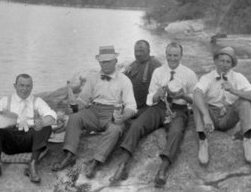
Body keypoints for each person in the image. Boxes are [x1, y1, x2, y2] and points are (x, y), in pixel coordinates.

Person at [109, 42, 198, 188]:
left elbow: (195, 99)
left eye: (176, 55)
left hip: (178, 109)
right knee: (137, 125)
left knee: (176, 132)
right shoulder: (159, 72)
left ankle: (162, 169)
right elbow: (150, 97)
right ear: (166, 55)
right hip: (159, 107)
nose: (172, 58)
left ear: (181, 56)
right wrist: (157, 95)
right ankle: (123, 165)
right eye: (169, 55)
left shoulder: (189, 74)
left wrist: (184, 96)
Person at [52, 45, 137, 179]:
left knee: (115, 129)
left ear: (115, 61)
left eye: (108, 61)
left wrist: (122, 117)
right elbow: (83, 100)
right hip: (94, 111)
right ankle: (69, 155)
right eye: (102, 61)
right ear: (99, 62)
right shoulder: (93, 78)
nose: (105, 64)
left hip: (113, 112)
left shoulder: (125, 81)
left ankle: (95, 162)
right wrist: (74, 107)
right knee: (74, 118)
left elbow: (131, 106)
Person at [0, 74, 58, 183]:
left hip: (29, 142)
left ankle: (32, 164)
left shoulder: (37, 101)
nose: (25, 89)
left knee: (46, 126)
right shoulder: (4, 100)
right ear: (15, 86)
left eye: (28, 86)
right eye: (21, 85)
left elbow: (51, 115)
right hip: (9, 141)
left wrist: (43, 122)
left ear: (32, 87)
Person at [193, 47, 251, 165]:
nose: (224, 64)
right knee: (197, 100)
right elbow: (197, 93)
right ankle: (203, 141)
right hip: (211, 116)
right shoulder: (207, 78)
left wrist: (234, 91)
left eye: (228, 62)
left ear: (232, 64)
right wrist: (206, 116)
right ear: (216, 61)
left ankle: (247, 140)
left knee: (245, 102)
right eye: (221, 61)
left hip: (228, 116)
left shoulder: (238, 77)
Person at [124, 40, 162, 116]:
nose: (138, 54)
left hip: (146, 107)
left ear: (148, 51)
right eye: (136, 51)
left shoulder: (155, 65)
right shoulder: (133, 64)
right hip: (131, 104)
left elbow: (160, 91)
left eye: (141, 51)